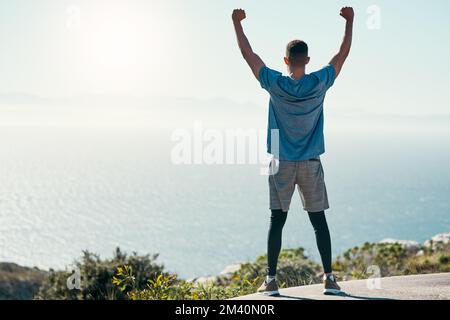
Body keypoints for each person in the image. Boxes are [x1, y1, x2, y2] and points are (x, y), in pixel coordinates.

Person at [232, 6, 354, 296]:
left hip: (281, 163)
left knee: (277, 219)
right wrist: (350, 21)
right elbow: (342, 54)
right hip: (311, 163)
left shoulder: (275, 83)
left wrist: (236, 23)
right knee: (318, 220)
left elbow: (248, 55)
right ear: (307, 60)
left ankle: (271, 281)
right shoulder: (320, 82)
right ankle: (330, 280)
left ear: (285, 60)